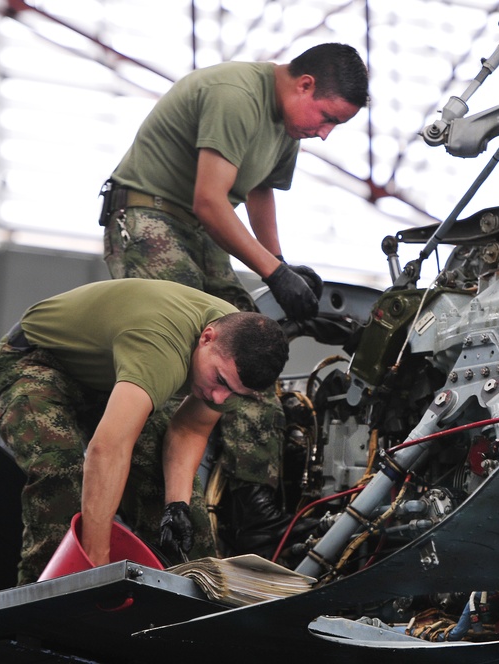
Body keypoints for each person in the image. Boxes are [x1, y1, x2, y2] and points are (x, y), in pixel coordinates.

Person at [98, 43, 369, 556]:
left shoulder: (287, 126)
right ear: (304, 84)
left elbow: (260, 191)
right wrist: (272, 272)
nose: (325, 133)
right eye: (327, 118)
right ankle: (159, 514)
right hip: (151, 216)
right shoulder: (236, 95)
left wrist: (281, 265)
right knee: (184, 353)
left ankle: (256, 511)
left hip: (201, 232)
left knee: (252, 346)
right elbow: (209, 199)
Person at [0, 279, 289, 584]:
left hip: (112, 377)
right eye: (220, 381)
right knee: (59, 473)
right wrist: (96, 563)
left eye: (235, 393)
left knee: (178, 510)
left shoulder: (235, 349)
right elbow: (109, 449)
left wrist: (176, 505)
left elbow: (189, 430)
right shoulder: (160, 347)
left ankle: (181, 617)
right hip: (42, 359)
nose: (219, 398)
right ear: (206, 337)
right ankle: (42, 607)